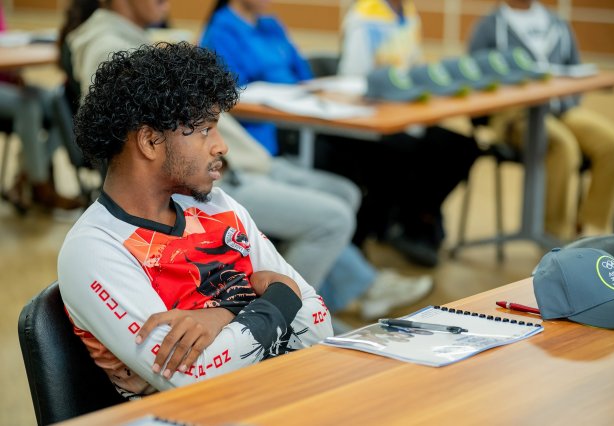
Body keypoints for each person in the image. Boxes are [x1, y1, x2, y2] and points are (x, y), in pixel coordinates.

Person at [62, 0, 431, 325]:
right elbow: (133, 149)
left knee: (343, 194)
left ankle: (338, 292)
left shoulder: (140, 39)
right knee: (332, 219)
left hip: (243, 161)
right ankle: (313, 305)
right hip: (217, 176)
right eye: (206, 129)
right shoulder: (108, 48)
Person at [58, 41, 333, 399]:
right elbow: (195, 378)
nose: (221, 146)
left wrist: (222, 315)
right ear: (150, 141)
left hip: (280, 398)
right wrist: (279, 294)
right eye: (205, 129)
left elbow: (319, 323)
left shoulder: (218, 207)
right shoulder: (94, 249)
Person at [201, 0, 481, 267]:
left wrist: (310, 92)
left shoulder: (271, 25)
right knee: (379, 159)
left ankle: (370, 249)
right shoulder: (221, 30)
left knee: (433, 150)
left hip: (303, 116)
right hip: (266, 134)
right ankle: (377, 239)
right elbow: (229, 96)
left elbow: (304, 74)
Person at [217, 114, 433, 320]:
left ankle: (334, 297)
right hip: (224, 178)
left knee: (346, 193)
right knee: (335, 221)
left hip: (251, 160)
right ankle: (292, 316)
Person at [468, 0, 614, 239]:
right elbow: (473, 75)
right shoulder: (490, 26)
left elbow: (575, 69)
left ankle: (590, 230)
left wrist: (566, 101)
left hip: (561, 109)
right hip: (515, 116)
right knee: (561, 146)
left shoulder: (556, 22)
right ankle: (556, 236)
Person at [0, 4, 83, 212]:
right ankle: (40, 184)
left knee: (58, 102)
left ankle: (23, 177)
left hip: (8, 81)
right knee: (28, 106)